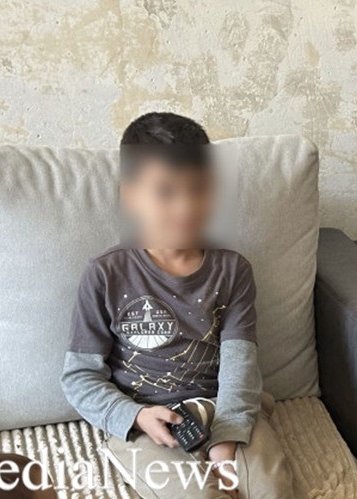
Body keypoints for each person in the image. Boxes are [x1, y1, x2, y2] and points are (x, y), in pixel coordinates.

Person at [61, 112, 292, 499]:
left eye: (198, 189)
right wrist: (133, 416)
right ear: (131, 196)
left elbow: (240, 364)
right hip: (147, 420)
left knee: (272, 490)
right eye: (166, 192)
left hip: (225, 408)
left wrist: (226, 438)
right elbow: (79, 377)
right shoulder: (105, 274)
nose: (186, 207)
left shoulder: (233, 271)